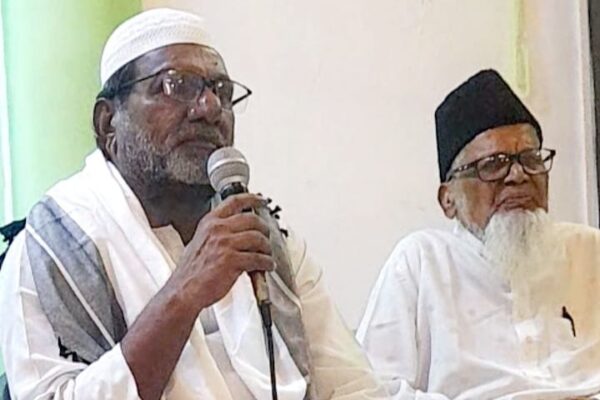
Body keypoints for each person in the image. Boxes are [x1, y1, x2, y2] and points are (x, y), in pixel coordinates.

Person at [0, 8, 385, 400]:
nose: (210, 107)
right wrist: (183, 293)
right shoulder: (51, 250)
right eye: (176, 85)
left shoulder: (263, 235)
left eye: (222, 91)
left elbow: (352, 386)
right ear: (108, 123)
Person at [357, 69, 600, 399]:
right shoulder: (421, 263)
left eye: (531, 159)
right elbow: (372, 389)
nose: (518, 175)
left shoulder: (589, 251)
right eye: (493, 164)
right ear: (448, 200)